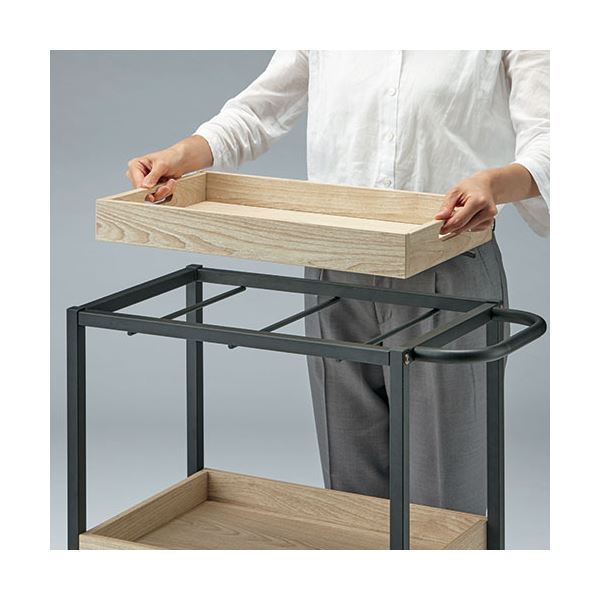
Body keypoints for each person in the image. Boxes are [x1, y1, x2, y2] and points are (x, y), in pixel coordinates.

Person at [126, 51, 549, 516]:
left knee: (446, 500)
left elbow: (550, 143)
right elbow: (259, 111)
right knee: (351, 494)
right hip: (334, 265)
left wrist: (492, 183)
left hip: (445, 260)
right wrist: (178, 156)